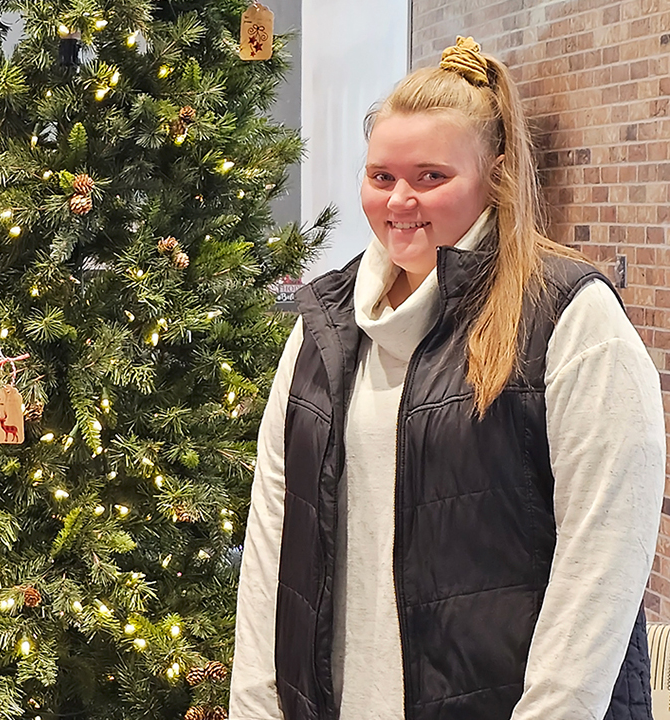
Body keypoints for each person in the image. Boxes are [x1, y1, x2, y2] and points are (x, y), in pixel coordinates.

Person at [229, 37, 663, 720]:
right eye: (381, 177)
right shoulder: (324, 326)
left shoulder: (567, 318)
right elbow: (271, 544)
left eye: (431, 177)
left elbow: (600, 567)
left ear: (492, 177)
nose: (400, 200)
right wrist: (255, 704)